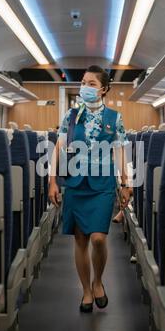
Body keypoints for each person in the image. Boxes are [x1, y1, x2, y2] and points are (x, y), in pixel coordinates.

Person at [48, 65, 133, 313]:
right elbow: (59, 147)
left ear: (104, 89)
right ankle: (86, 289)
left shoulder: (114, 118)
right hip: (75, 184)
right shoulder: (70, 116)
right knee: (81, 238)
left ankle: (98, 281)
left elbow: (119, 151)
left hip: (103, 185)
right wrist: (52, 180)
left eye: (92, 84)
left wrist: (126, 182)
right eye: (83, 82)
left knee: (98, 238)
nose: (85, 87)